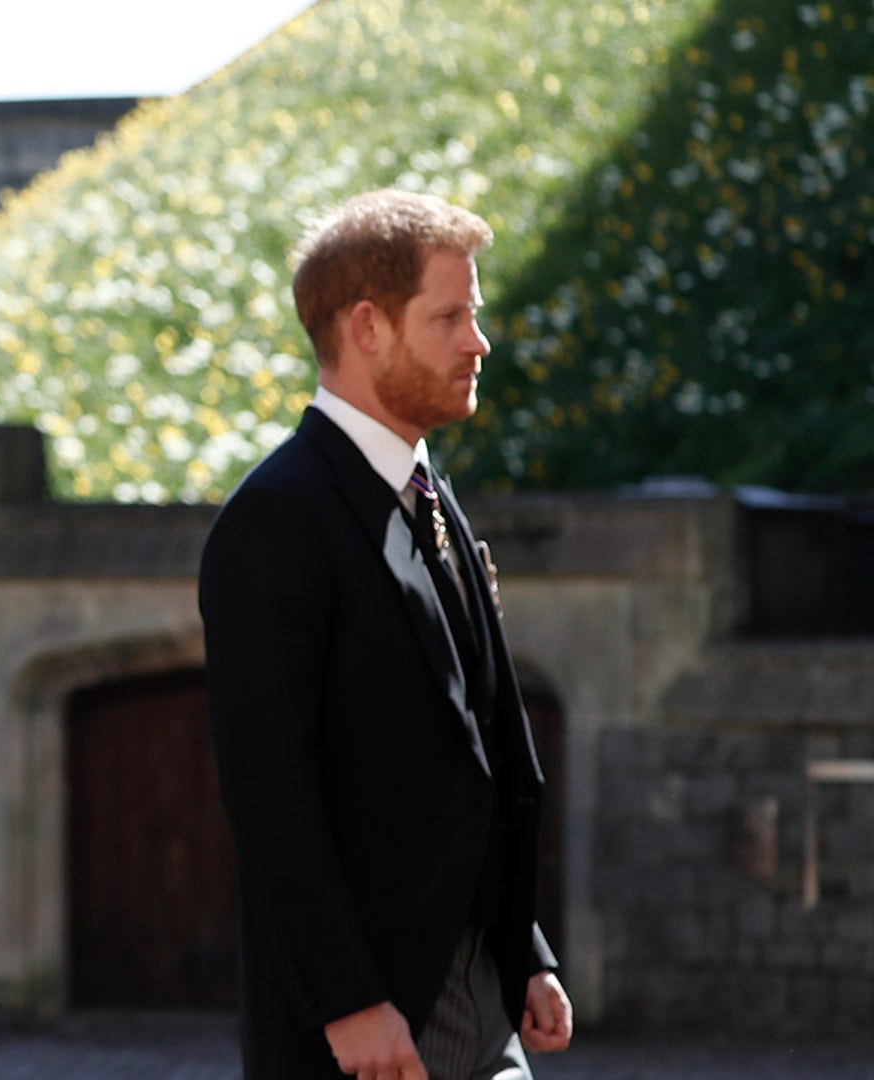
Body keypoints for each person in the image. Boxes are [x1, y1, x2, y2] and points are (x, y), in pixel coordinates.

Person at [198, 189, 575, 1079]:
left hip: (481, 995)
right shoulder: (276, 521)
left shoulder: (429, 492)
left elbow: (472, 749)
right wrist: (349, 1001)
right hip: (374, 1025)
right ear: (367, 328)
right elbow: (269, 795)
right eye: (450, 317)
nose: (477, 341)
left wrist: (522, 948)